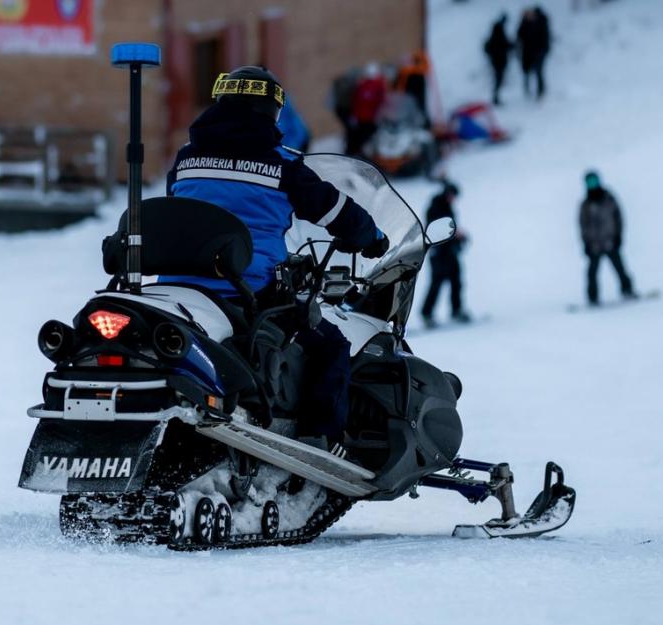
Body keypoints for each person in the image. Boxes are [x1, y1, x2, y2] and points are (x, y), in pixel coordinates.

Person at [162, 66, 389, 451]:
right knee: (329, 344)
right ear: (271, 112)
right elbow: (338, 212)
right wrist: (372, 238)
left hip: (177, 288)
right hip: (246, 290)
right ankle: (319, 440)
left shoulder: (185, 160)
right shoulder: (283, 166)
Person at [579, 170, 636, 305]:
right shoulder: (586, 204)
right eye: (590, 182)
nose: (592, 185)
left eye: (594, 181)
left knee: (620, 268)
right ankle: (593, 298)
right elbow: (583, 225)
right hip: (594, 245)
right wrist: (586, 243)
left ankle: (627, 290)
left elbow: (619, 218)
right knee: (592, 273)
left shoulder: (609, 199)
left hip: (610, 241)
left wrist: (618, 236)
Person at [420, 182, 471, 327]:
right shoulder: (435, 207)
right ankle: (426, 314)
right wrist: (455, 235)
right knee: (436, 283)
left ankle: (456, 310)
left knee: (456, 280)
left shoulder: (447, 207)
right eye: (452, 196)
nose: (453, 199)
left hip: (450, 251)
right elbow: (436, 230)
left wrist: (458, 237)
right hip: (439, 252)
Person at [348, 62, 387, 156]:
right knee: (368, 137)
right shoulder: (378, 84)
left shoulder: (363, 84)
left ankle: (360, 153)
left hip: (363, 117)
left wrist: (354, 115)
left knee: (362, 137)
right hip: (370, 118)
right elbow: (382, 101)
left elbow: (356, 101)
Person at [516, 7, 551, 99]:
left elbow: (544, 38)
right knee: (527, 72)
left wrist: (543, 50)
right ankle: (527, 91)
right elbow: (520, 36)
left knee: (538, 72)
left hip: (539, 52)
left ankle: (540, 91)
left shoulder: (540, 23)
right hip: (528, 53)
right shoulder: (525, 24)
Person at [395, 50, 432, 128]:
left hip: (414, 96)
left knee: (418, 108)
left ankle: (423, 124)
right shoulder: (405, 73)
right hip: (409, 97)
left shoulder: (417, 72)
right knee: (413, 108)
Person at [483, 15, 512, 106]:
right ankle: (495, 98)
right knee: (498, 79)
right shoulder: (499, 34)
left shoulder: (495, 34)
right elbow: (505, 45)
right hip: (499, 60)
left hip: (497, 60)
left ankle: (496, 97)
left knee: (498, 79)